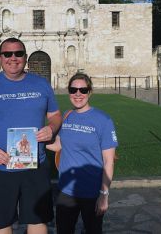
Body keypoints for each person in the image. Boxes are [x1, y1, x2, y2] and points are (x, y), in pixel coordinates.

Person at [0, 37, 62, 234]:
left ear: (25, 57)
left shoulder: (42, 85)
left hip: (35, 166)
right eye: (8, 54)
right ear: (0, 57)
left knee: (38, 221)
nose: (13, 58)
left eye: (18, 53)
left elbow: (55, 115)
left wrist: (52, 128)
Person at [47, 73, 118, 234]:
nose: (78, 94)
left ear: (90, 92)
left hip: (92, 192)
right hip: (66, 190)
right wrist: (34, 140)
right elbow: (59, 145)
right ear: (69, 92)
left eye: (83, 90)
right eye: (73, 90)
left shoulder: (103, 120)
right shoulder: (67, 116)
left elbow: (108, 161)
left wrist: (104, 194)